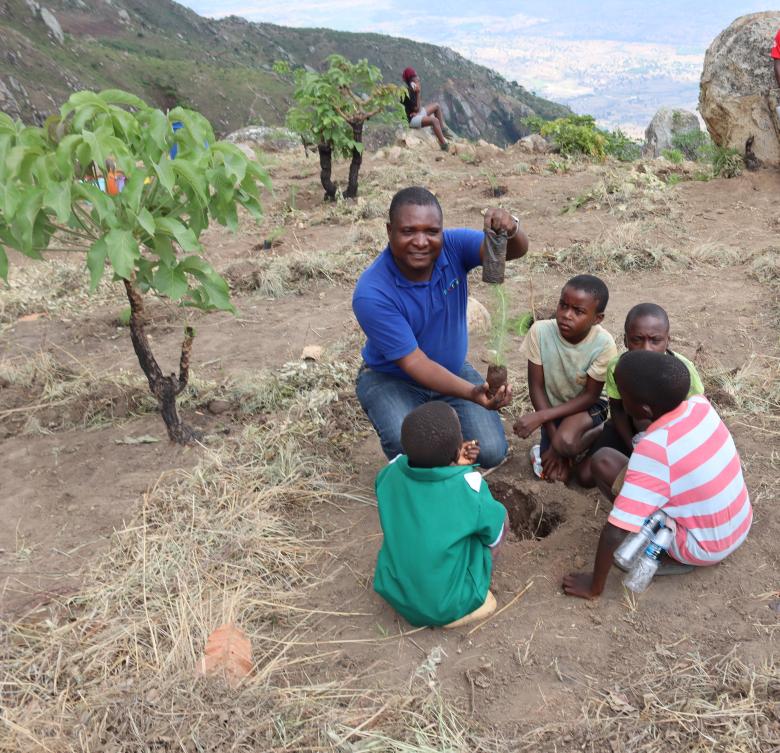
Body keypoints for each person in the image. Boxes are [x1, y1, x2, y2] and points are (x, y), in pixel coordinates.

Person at [353, 186, 528, 469]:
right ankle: (435, 456)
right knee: (409, 449)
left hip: (450, 371)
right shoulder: (372, 292)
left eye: (431, 231)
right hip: (392, 379)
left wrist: (512, 229)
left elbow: (513, 251)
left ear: (441, 231)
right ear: (389, 231)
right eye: (408, 231)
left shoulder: (453, 247)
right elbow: (415, 363)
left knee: (492, 451)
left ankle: (445, 449)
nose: (421, 241)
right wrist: (472, 393)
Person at [562, 351, 752, 600]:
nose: (615, 395)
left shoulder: (656, 448)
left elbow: (615, 531)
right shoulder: (700, 405)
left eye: (622, 391)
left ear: (642, 408)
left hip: (703, 547)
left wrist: (594, 586)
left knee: (604, 462)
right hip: (737, 524)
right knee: (618, 465)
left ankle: (658, 551)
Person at [373, 401, 508, 627]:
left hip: (395, 590)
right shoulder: (468, 485)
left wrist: (451, 462)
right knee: (499, 517)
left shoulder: (388, 473)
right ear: (457, 451)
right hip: (445, 605)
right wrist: (462, 469)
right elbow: (494, 534)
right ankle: (473, 584)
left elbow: (425, 491)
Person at [577, 303, 705, 487]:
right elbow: (618, 409)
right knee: (585, 477)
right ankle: (604, 434)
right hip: (630, 428)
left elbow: (696, 418)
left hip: (671, 437)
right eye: (637, 339)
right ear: (625, 340)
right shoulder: (617, 367)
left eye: (655, 340)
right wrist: (633, 447)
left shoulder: (683, 372)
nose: (646, 348)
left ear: (667, 340)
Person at [512, 274, 617, 483]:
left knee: (566, 443)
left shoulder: (604, 344)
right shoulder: (540, 331)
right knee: (556, 476)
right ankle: (561, 446)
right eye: (563, 305)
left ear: (597, 318)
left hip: (590, 406)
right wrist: (553, 439)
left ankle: (601, 431)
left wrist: (543, 421)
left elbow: (589, 396)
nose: (566, 315)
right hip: (553, 409)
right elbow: (536, 388)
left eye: (578, 311)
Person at [401, 67, 451, 151]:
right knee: (434, 121)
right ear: (412, 82)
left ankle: (442, 132)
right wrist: (418, 93)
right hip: (411, 120)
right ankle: (444, 145)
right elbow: (417, 109)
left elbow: (418, 109)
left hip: (416, 114)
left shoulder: (412, 90)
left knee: (437, 106)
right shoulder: (406, 93)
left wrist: (416, 93)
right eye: (416, 80)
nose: (418, 81)